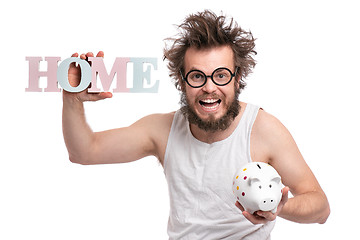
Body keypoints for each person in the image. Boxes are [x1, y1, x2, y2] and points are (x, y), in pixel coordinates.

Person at [62, 10, 330, 239]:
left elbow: (320, 207)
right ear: (182, 81)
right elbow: (84, 152)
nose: (209, 88)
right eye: (197, 76)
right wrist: (72, 99)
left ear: (237, 79)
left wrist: (279, 209)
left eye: (221, 75)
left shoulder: (263, 130)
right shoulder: (162, 130)